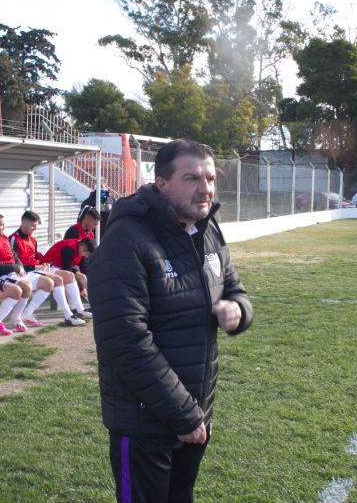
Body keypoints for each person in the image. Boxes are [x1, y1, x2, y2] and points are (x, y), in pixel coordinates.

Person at [89, 139, 253, 503]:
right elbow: (125, 341)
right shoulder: (127, 240)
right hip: (145, 421)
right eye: (192, 178)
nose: (205, 188)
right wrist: (184, 415)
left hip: (196, 413)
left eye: (210, 178)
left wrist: (238, 310)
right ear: (162, 184)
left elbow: (235, 289)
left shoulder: (207, 229)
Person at [9, 211, 88, 327]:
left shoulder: (32, 240)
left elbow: (35, 258)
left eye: (36, 226)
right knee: (56, 280)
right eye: (33, 225)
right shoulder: (13, 239)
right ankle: (68, 316)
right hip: (24, 273)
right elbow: (14, 263)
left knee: (69, 275)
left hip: (37, 269)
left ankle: (79, 310)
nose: (35, 229)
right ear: (24, 223)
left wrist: (43, 265)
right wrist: (37, 267)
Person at [0, 212, 33, 333]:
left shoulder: (3, 237)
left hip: (12, 272)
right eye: (1, 225)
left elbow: (14, 255)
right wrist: (15, 268)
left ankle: (13, 318)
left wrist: (20, 266)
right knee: (24, 287)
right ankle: (2, 320)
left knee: (28, 287)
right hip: (1, 275)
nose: (4, 227)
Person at [42, 237, 95, 302]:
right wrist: (79, 289)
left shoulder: (80, 250)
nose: (86, 256)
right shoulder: (69, 249)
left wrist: (85, 287)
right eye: (86, 253)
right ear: (82, 247)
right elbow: (67, 270)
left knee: (82, 276)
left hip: (61, 266)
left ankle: (88, 298)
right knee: (69, 278)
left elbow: (83, 268)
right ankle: (73, 304)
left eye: (88, 254)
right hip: (49, 267)